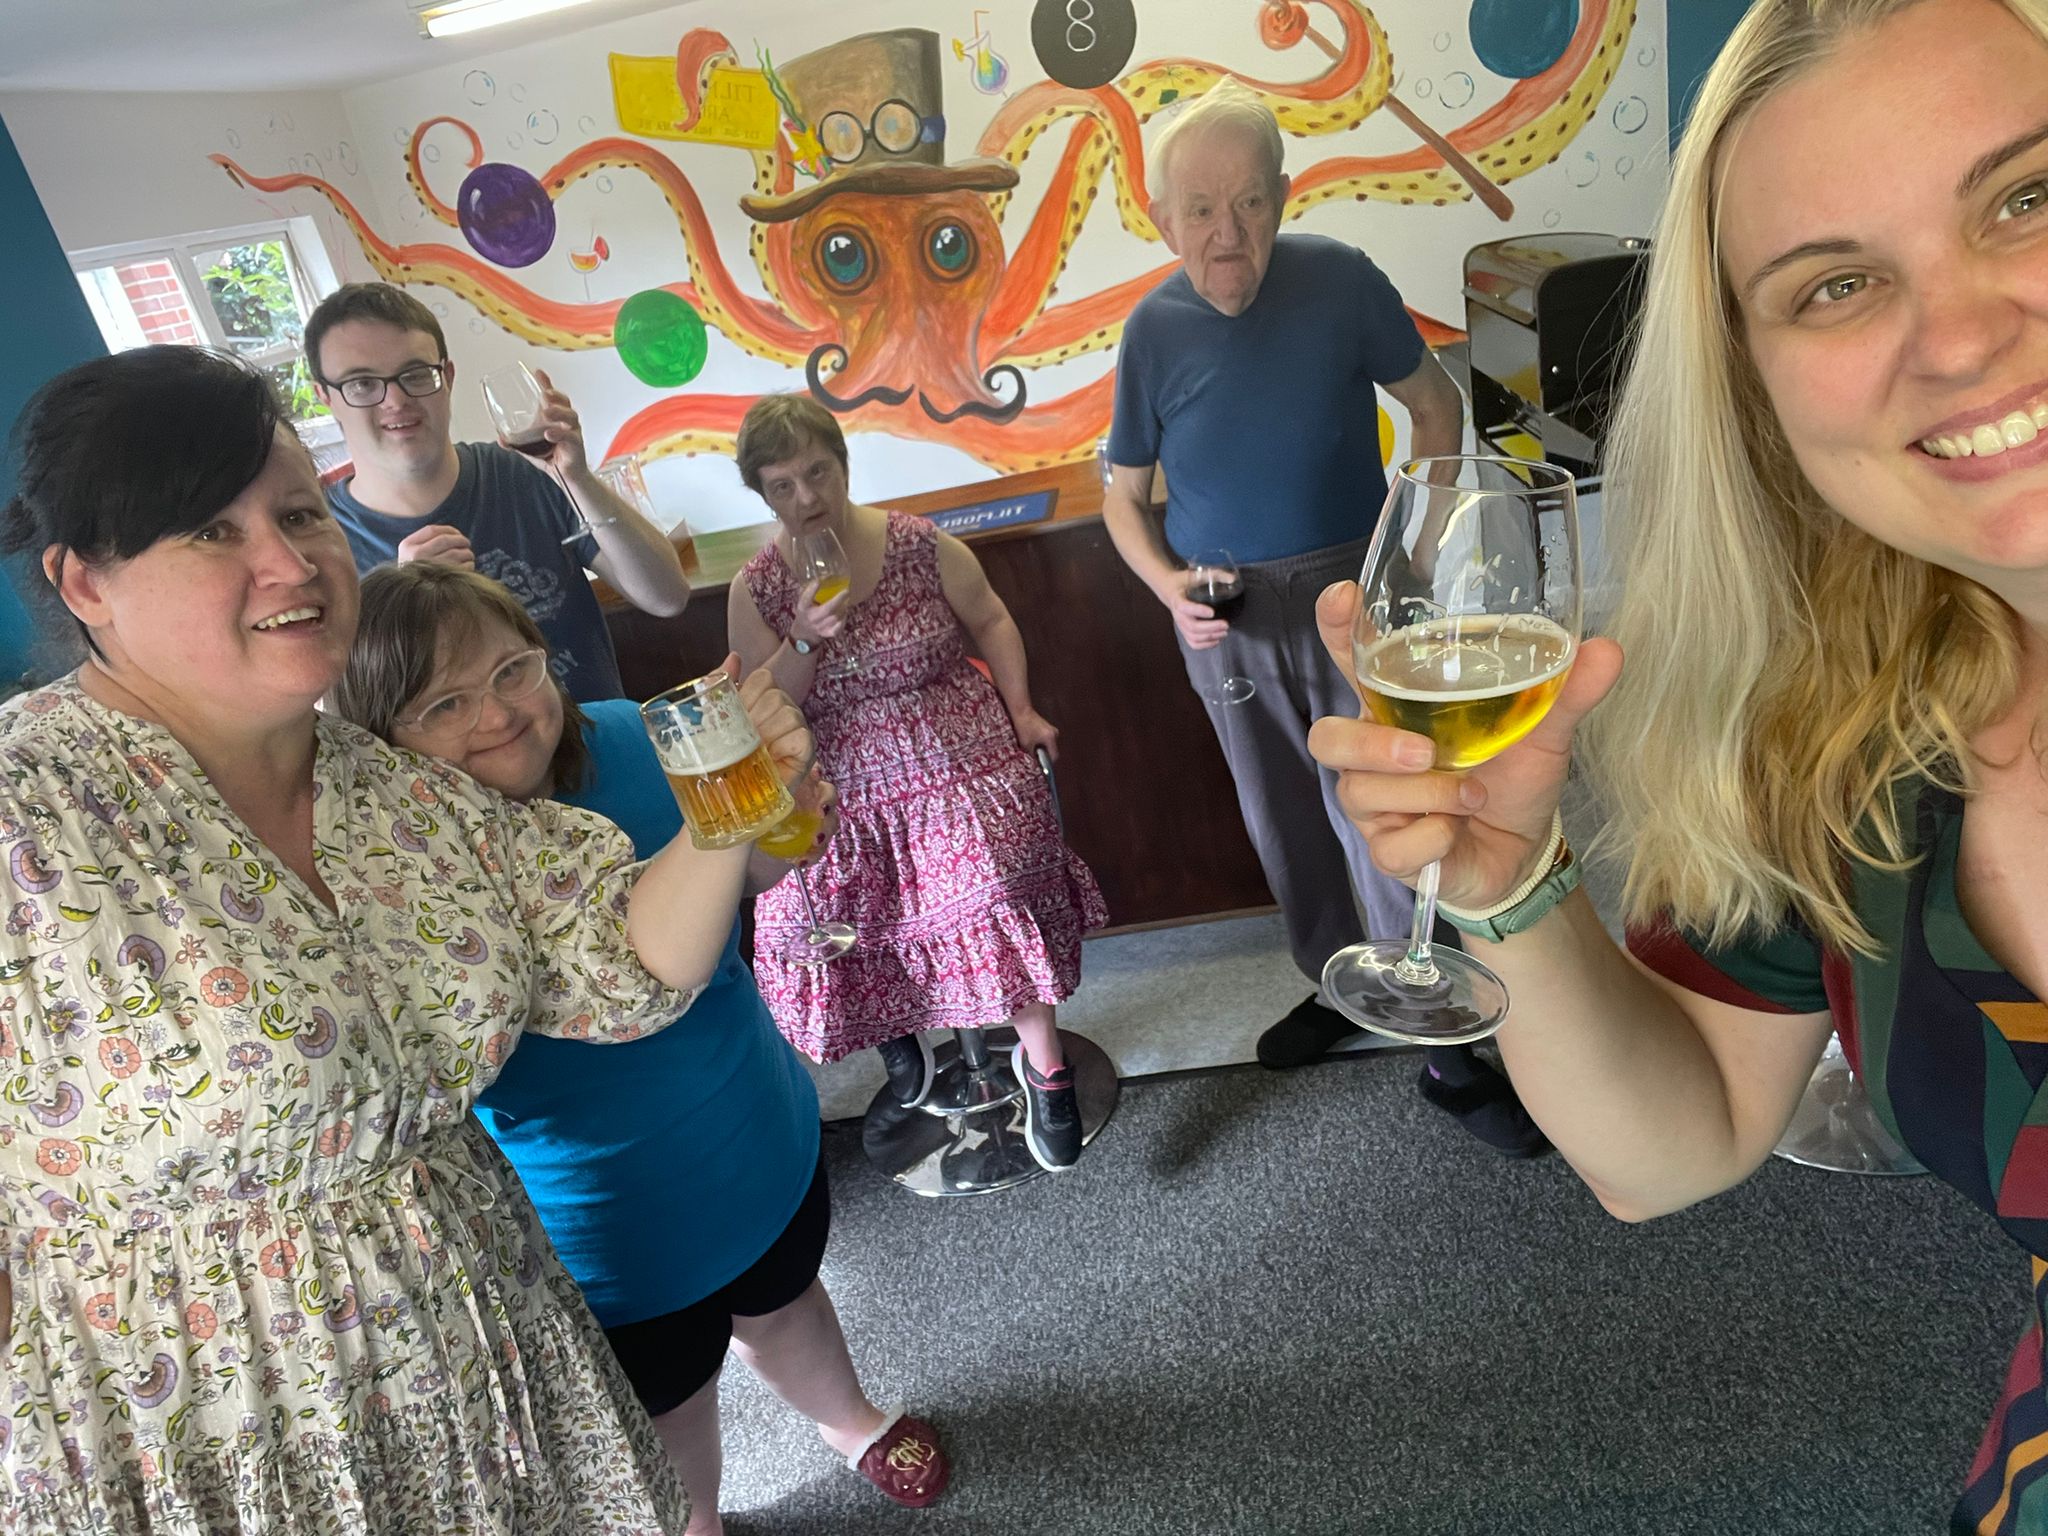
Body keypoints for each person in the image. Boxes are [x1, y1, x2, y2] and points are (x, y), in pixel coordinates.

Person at [1311, 0, 2048, 1527]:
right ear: (1760, 400)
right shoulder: (1851, 733)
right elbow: (1677, 1143)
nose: (1962, 334)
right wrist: (1514, 884)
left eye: (2027, 198)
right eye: (1836, 285)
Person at [0, 345, 808, 1533]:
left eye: (293, 511)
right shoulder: (29, 815)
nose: (287, 561)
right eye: (210, 533)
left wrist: (727, 804)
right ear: (84, 585)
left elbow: (621, 961)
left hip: (489, 1356)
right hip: (213, 1430)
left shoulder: (398, 796)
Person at [331, 563, 950, 1527]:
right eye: (442, 703)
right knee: (670, 1407)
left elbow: (761, 866)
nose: (496, 714)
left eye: (512, 670)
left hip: (754, 1123)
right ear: (382, 741)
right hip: (604, 1220)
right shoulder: (408, 876)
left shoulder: (629, 735)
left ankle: (851, 1421)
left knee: (789, 1303)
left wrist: (788, 808)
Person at [1102, 78, 1542, 1156]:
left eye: (1248, 202)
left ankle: (1441, 1047)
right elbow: (1121, 498)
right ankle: (1338, 990)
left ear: (1283, 198)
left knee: (1385, 811)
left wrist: (1419, 545)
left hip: (1356, 592)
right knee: (1284, 821)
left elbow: (1433, 405)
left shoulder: (1341, 281)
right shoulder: (1148, 334)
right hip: (1226, 614)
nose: (1226, 232)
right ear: (1161, 219)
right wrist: (1168, 589)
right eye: (1199, 209)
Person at [727, 394, 1107, 1172]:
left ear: (842, 461)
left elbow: (993, 620)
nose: (807, 499)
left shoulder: (919, 544)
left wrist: (1023, 710)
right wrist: (802, 637)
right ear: (761, 495)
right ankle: (904, 1049)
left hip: (953, 751)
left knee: (996, 879)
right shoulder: (756, 586)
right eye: (783, 487)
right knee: (819, 901)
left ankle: (1045, 1064)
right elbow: (762, 705)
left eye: (818, 473)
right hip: (832, 772)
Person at [305, 281, 690, 700]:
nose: (395, 400)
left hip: (601, 750)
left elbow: (667, 597)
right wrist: (405, 598)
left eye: (416, 374)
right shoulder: (319, 545)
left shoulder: (517, 473)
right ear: (324, 395)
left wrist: (577, 479)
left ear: (447, 378)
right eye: (362, 384)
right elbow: (344, 722)